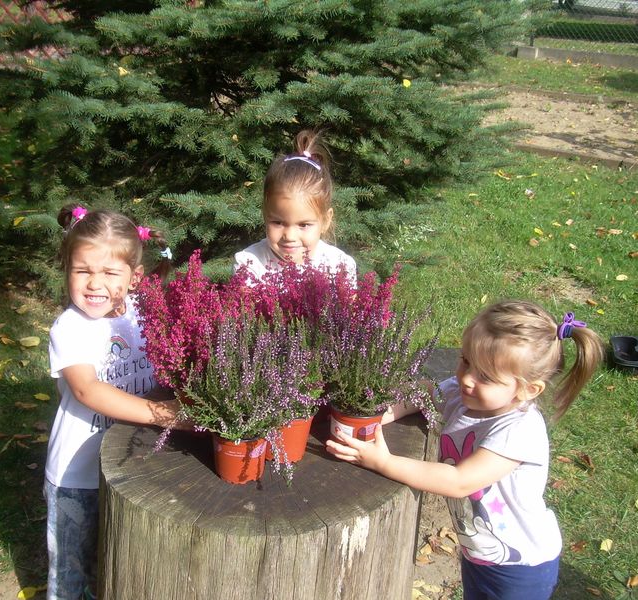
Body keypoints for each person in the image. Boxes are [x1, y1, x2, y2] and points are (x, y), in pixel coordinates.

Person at [326, 300, 604, 600]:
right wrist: (374, 415)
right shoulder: (462, 395)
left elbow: (459, 481)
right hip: (480, 553)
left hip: (519, 568)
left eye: (486, 376)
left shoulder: (519, 430)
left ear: (528, 389)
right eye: (466, 360)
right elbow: (421, 393)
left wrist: (383, 462)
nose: (467, 378)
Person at [45, 204, 182, 600]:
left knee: (119, 559)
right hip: (77, 476)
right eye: (82, 271)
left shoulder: (142, 314)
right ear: (67, 270)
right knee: (70, 570)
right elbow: (87, 390)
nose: (94, 284)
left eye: (109, 273)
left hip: (132, 471)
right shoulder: (70, 328)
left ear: (134, 278)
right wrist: (163, 414)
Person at [234, 129, 357, 279]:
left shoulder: (340, 266)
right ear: (265, 215)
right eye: (278, 222)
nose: (290, 236)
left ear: (325, 220)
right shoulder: (249, 264)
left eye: (304, 225)